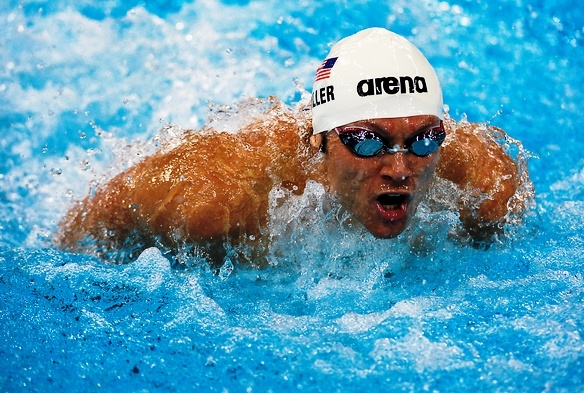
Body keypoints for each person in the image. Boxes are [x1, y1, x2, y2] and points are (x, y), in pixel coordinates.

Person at [55, 28, 533, 265]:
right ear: (318, 142)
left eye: (423, 140)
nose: (400, 167)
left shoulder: (487, 188)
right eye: (367, 142)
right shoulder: (215, 199)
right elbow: (87, 232)